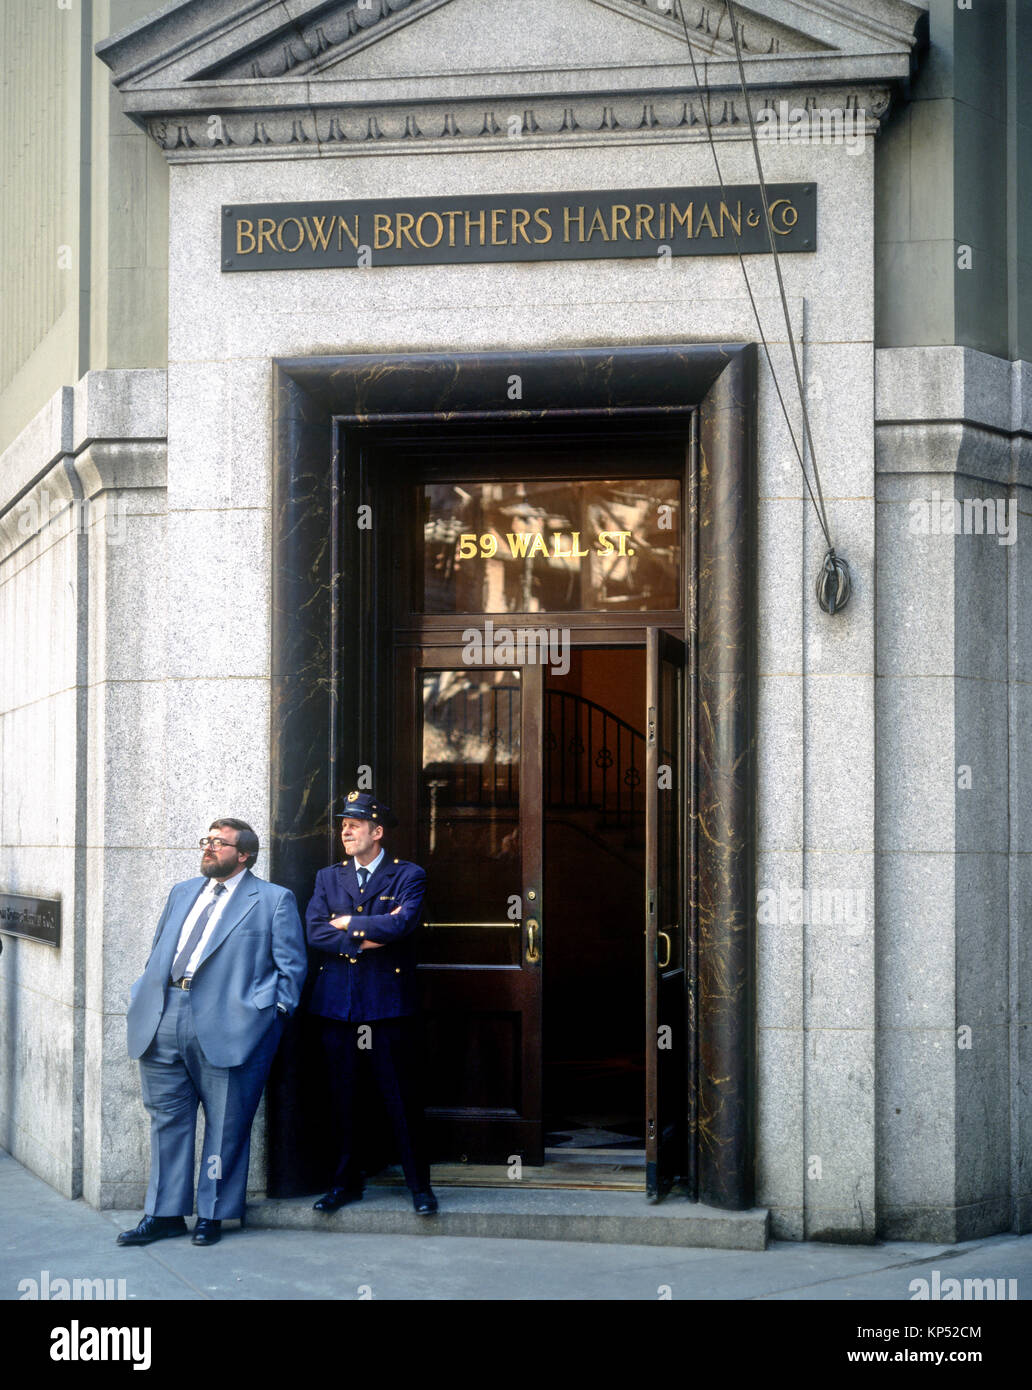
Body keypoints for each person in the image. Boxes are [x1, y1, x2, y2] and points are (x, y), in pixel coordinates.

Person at [118, 818, 307, 1247]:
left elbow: (290, 968)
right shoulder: (182, 892)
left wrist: (269, 1013)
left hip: (231, 1024)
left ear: (244, 855)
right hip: (163, 1015)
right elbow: (157, 952)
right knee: (167, 1119)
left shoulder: (273, 900)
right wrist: (142, 993)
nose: (208, 848)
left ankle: (214, 1213)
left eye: (219, 844)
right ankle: (164, 1213)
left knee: (226, 1124)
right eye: (207, 840)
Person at [306, 791, 437, 1215]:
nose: (345, 831)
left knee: (401, 1099)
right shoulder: (328, 877)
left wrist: (347, 923)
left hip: (387, 1006)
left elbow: (402, 924)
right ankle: (344, 1184)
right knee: (342, 1099)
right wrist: (367, 936)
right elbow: (314, 932)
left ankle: (420, 1187)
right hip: (338, 1006)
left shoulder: (408, 874)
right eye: (343, 824)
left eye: (355, 824)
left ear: (377, 832)